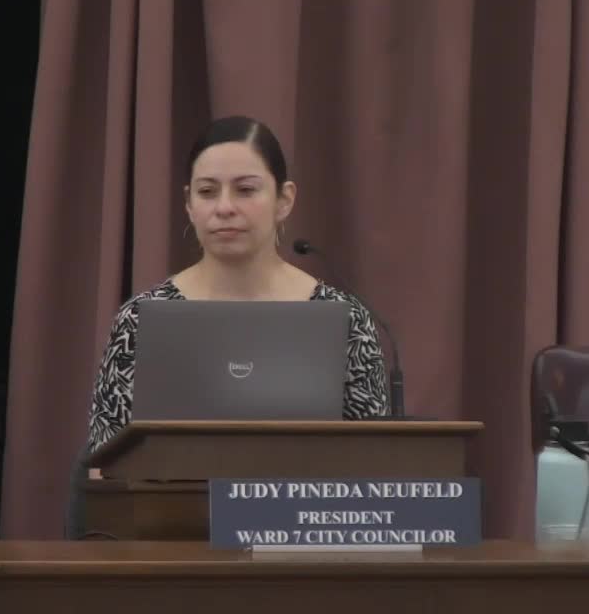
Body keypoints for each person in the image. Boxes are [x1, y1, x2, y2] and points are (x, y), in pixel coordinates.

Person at [85, 116, 389, 452]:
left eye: (245, 190)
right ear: (189, 203)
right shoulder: (139, 321)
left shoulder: (346, 320)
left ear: (284, 200)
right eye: (207, 192)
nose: (225, 208)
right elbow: (104, 463)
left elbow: (372, 461)